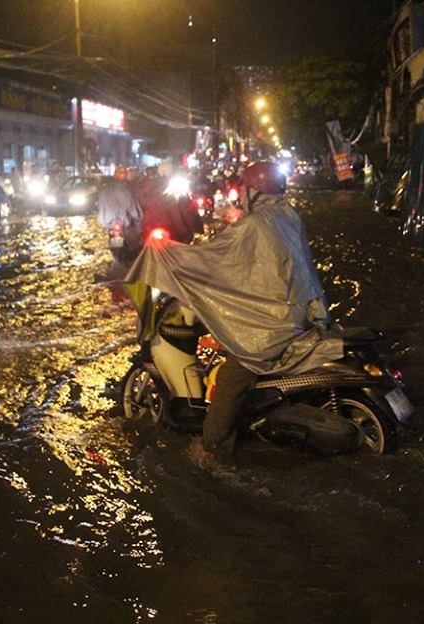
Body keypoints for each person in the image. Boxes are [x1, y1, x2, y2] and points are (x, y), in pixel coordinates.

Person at [126, 162, 339, 461]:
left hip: (274, 326)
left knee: (229, 378)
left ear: (254, 191)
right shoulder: (287, 215)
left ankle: (212, 448)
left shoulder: (253, 225)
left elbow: (213, 260)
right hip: (302, 313)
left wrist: (165, 256)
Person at [97, 167, 143, 254]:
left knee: (117, 249)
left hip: (111, 223)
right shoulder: (127, 191)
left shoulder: (105, 190)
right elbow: (134, 209)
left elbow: (101, 207)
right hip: (125, 225)